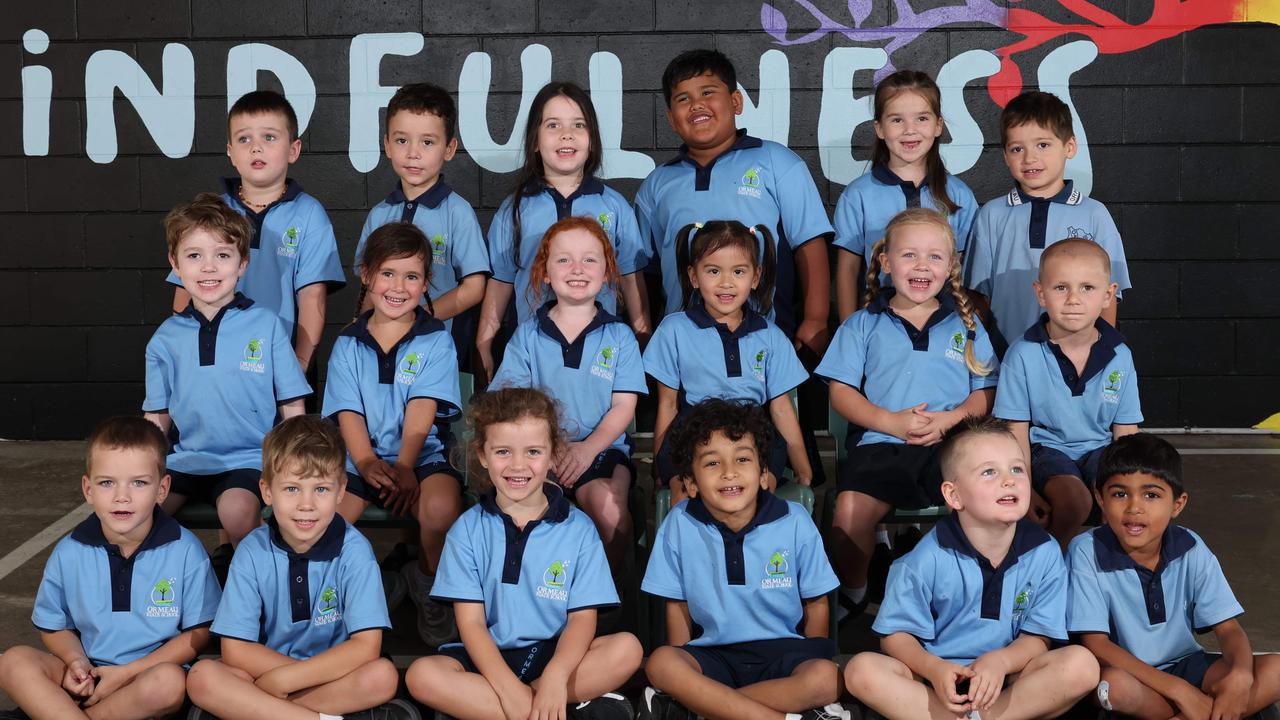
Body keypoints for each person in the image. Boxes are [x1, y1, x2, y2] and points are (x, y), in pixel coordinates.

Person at [405, 387, 641, 720]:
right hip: (486, 661)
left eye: (533, 451)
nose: (518, 465)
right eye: (503, 451)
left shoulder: (579, 529)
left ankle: (527, 707)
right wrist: (507, 688)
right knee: (422, 675)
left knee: (627, 649)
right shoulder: (466, 531)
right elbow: (471, 624)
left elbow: (581, 620)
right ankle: (559, 712)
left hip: (555, 656)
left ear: (552, 455)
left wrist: (557, 677)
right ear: (483, 456)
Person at [844, 416, 1100, 720]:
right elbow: (895, 637)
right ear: (954, 495)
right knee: (861, 671)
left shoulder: (1044, 552)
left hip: (1008, 683)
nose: (1009, 480)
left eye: (1017, 468)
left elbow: (1039, 638)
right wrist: (936, 670)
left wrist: (1001, 662)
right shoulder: (926, 557)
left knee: (1081, 665)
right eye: (989, 472)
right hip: (939, 682)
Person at [816, 208, 997, 620]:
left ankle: (966, 595)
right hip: (882, 444)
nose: (922, 266)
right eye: (909, 255)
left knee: (984, 504)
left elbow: (983, 394)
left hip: (950, 447)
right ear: (885, 263)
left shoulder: (966, 326)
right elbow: (841, 392)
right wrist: (889, 421)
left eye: (935, 257)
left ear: (951, 266)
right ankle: (857, 589)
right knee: (848, 513)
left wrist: (949, 421)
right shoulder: (863, 324)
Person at [186, 416, 413, 720]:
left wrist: (283, 682)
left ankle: (263, 712)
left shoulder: (354, 550)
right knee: (203, 677)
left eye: (320, 489)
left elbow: (365, 647)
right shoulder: (252, 551)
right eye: (292, 489)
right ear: (267, 492)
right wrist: (284, 677)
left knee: (382, 676)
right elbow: (236, 650)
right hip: (268, 672)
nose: (306, 504)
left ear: (341, 491)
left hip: (327, 675)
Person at [639, 399, 846, 720]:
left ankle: (710, 709)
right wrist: (683, 659)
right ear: (690, 483)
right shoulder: (679, 523)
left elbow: (816, 603)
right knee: (662, 663)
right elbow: (676, 606)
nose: (729, 472)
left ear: (764, 474)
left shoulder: (794, 520)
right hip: (713, 655)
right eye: (712, 464)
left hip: (784, 653)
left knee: (827, 678)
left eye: (743, 459)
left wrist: (811, 652)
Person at [0, 417, 220, 720]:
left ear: (162, 488)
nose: (122, 496)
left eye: (139, 482)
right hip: (88, 674)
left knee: (169, 683)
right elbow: (54, 626)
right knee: (13, 662)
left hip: (147, 679)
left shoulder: (185, 550)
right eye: (107, 483)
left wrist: (128, 673)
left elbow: (198, 633)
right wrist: (75, 660)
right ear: (88, 489)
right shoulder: (70, 551)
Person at [1068, 433, 1280, 719]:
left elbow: (1228, 629)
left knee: (1275, 671)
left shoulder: (1190, 546)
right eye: (1119, 494)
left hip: (1185, 664)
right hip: (1128, 673)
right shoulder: (1086, 550)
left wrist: (1241, 675)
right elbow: (1096, 644)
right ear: (1100, 499)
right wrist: (1179, 690)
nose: (1134, 507)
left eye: (1151, 495)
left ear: (1177, 504)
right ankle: (1210, 712)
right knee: (1113, 688)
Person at [323, 222, 464, 646]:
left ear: (426, 284)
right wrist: (366, 462)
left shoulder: (435, 339)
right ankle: (360, 593)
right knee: (320, 524)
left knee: (440, 513)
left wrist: (405, 465)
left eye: (412, 276)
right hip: (359, 459)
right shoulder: (348, 343)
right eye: (387, 273)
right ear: (366, 275)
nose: (398, 286)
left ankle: (427, 584)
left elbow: (423, 408)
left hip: (422, 458)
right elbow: (348, 413)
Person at [145, 193, 311, 548]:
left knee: (236, 514)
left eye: (222, 255)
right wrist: (144, 472)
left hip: (247, 459)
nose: (208, 267)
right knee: (137, 514)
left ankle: (250, 594)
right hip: (186, 461)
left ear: (242, 263)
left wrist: (293, 464)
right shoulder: (165, 338)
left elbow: (292, 406)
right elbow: (156, 416)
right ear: (175, 264)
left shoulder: (266, 325)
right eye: (194, 256)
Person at [490, 217, 647, 578]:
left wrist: (588, 449)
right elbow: (510, 405)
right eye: (564, 260)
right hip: (538, 454)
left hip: (601, 452)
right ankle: (542, 599)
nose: (577, 269)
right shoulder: (528, 336)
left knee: (610, 511)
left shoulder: (619, 337)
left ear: (607, 273)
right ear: (545, 273)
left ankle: (601, 602)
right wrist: (547, 449)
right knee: (526, 514)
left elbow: (624, 406)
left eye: (590, 260)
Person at [477, 81, 650, 380]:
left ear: (592, 139)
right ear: (534, 140)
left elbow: (631, 279)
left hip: (599, 351)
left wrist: (642, 334)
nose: (566, 134)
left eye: (578, 125)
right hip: (534, 352)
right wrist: (484, 342)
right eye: (553, 125)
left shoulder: (614, 206)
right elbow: (501, 282)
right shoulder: (515, 209)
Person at [169, 90, 345, 376]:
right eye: (244, 139)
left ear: (294, 149)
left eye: (269, 137)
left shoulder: (309, 214)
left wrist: (298, 366)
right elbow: (183, 291)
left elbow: (314, 299)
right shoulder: (211, 212)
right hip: (215, 362)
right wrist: (182, 355)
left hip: (281, 362)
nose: (256, 148)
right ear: (230, 152)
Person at [643, 220, 811, 506]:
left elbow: (782, 409)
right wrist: (664, 469)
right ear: (694, 276)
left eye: (738, 271)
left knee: (760, 495)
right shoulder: (674, 330)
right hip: (694, 429)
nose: (726, 283)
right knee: (684, 496)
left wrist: (804, 469)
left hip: (755, 429)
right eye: (713, 271)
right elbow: (668, 405)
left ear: (755, 277)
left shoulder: (770, 336)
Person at [994, 238, 1142, 549]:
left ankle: (1104, 569)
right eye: (1061, 287)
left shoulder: (1120, 355)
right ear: (1041, 294)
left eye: (1087, 288)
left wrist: (1130, 485)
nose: (1073, 299)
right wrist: (1024, 487)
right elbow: (1015, 430)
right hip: (1046, 451)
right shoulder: (1023, 354)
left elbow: (1126, 432)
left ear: (1108, 295)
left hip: (1100, 451)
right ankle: (1047, 564)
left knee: (1120, 499)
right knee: (1076, 501)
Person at [964, 89, 1130, 356]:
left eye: (1043, 145)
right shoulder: (991, 215)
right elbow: (978, 298)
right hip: (1005, 357)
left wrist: (1100, 352)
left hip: (1076, 357)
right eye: (1017, 149)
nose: (1030, 158)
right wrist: (983, 357)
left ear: (1070, 147)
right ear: (1006, 156)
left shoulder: (1094, 214)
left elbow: (1109, 298)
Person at [353, 83, 489, 366]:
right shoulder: (379, 214)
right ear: (387, 144)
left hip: (438, 351)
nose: (413, 153)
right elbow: (368, 286)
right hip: (384, 348)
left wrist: (418, 319)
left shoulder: (458, 212)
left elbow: (474, 288)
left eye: (427, 142)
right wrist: (364, 329)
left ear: (449, 148)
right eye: (402, 141)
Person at [832, 70, 978, 322]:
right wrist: (848, 329)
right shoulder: (858, 195)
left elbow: (967, 272)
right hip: (878, 323)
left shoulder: (959, 195)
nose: (910, 130)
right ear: (879, 128)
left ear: (938, 126)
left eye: (922, 118)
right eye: (897, 120)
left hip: (943, 325)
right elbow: (847, 269)